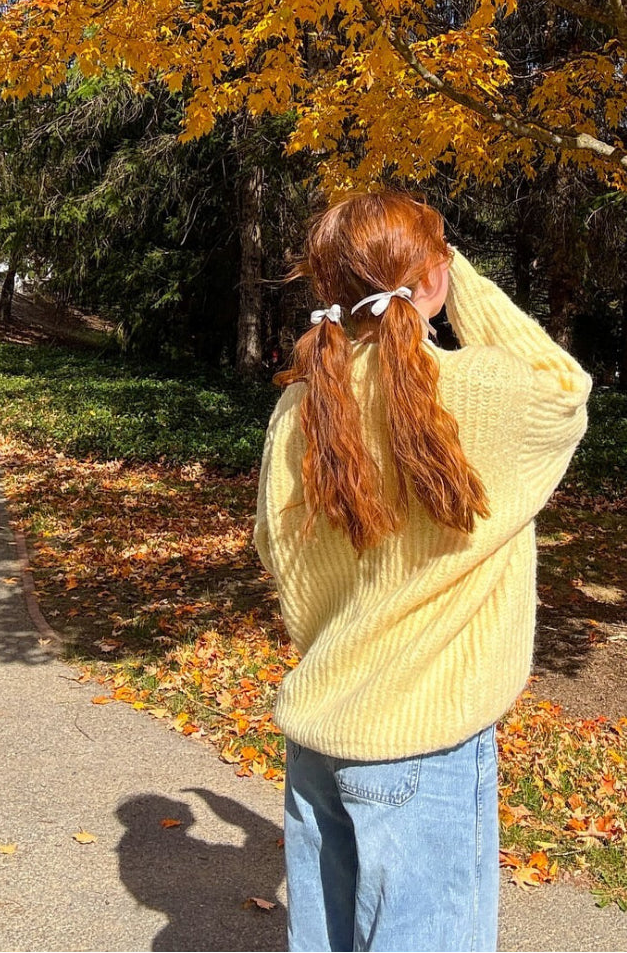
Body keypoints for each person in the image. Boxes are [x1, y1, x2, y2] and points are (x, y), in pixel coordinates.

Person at [253, 190, 592, 953]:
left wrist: (346, 651)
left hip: (322, 730)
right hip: (423, 738)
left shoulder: (302, 405)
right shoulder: (480, 394)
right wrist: (452, 274)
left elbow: (280, 556)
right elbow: (565, 387)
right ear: (434, 279)